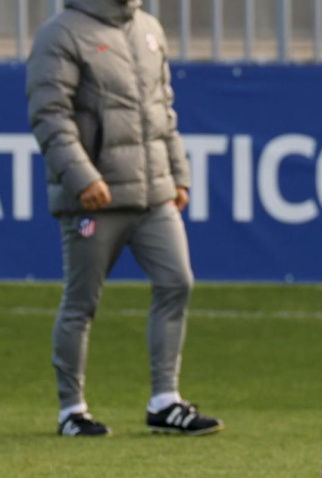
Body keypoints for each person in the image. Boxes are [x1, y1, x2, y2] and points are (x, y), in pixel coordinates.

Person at [26, 0, 222, 437]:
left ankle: (165, 403)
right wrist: (81, 177)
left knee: (177, 282)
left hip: (154, 194)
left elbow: (163, 111)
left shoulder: (149, 28)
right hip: (94, 199)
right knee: (81, 303)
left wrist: (178, 174)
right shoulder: (60, 34)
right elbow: (50, 116)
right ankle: (72, 411)